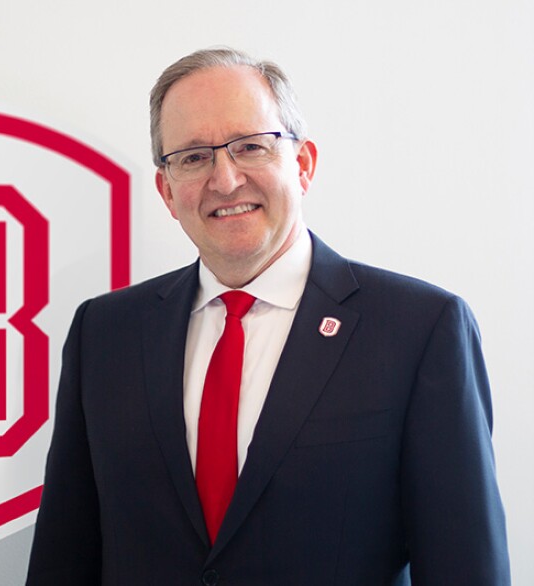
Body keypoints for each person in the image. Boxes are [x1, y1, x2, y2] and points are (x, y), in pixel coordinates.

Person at [26, 47, 510, 585]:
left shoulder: (419, 330)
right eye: (192, 157)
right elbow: (63, 557)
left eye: (251, 147)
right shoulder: (104, 334)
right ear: (166, 192)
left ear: (302, 165)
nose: (226, 180)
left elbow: (466, 567)